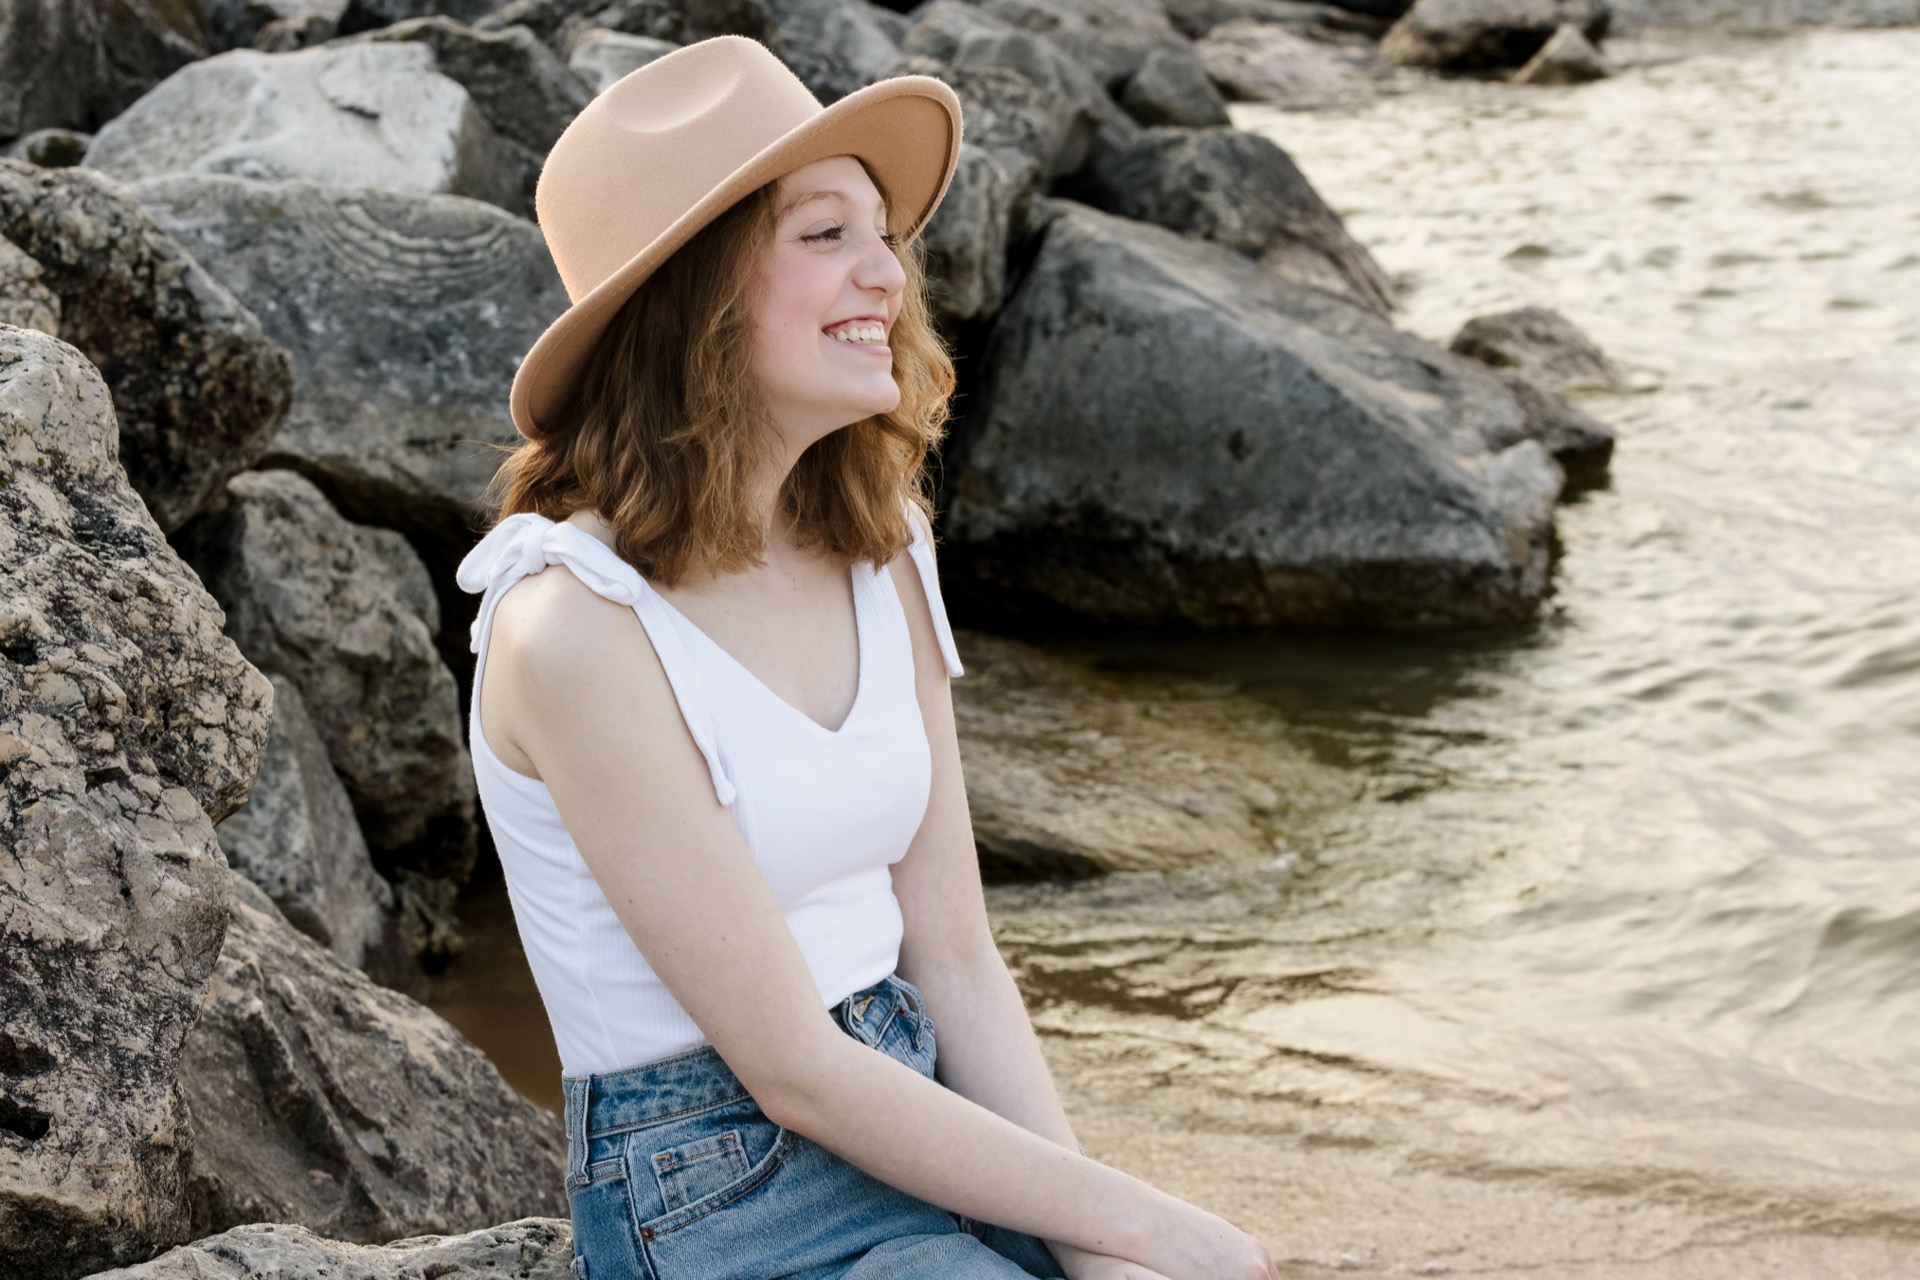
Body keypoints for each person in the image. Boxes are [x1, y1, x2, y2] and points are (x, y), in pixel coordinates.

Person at [455, 35, 1280, 1280]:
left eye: (883, 235)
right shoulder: (572, 625)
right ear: (696, 293)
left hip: (911, 1090)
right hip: (713, 1184)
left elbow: (949, 949)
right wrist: (1147, 1219)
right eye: (825, 234)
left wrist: (1100, 1236)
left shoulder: (881, 541)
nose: (888, 274)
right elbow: (792, 1071)